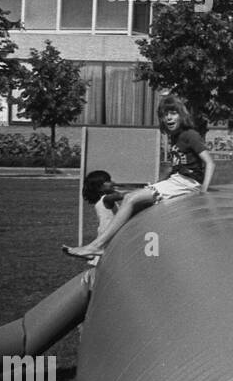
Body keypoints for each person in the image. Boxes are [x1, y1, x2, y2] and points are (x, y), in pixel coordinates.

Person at [63, 96, 214, 259]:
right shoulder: (175, 137)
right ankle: (116, 248)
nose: (169, 117)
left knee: (129, 198)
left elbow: (210, 163)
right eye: (165, 114)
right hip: (177, 181)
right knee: (136, 206)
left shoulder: (190, 135)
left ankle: (96, 246)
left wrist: (203, 193)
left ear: (181, 115)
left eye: (173, 113)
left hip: (188, 183)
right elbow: (175, 168)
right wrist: (158, 184)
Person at [82, 169, 125, 238]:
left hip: (107, 233)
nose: (112, 182)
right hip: (108, 234)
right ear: (99, 187)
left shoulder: (101, 200)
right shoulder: (106, 199)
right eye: (108, 181)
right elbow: (122, 196)